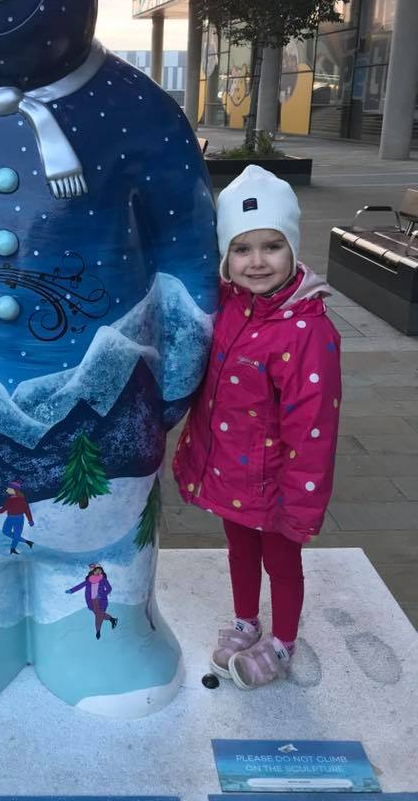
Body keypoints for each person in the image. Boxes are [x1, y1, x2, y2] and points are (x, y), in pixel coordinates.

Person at [173, 165, 341, 689]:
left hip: (277, 483)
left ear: (293, 248)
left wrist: (301, 501)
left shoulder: (307, 332)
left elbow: (314, 428)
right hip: (229, 471)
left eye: (272, 246)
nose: (257, 261)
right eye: (242, 249)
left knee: (281, 561)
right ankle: (247, 622)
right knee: (240, 549)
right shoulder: (228, 306)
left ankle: (283, 643)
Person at [66, 563, 118, 639]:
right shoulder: (89, 581)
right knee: (100, 615)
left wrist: (102, 594)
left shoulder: (103, 580)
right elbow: (80, 586)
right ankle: (112, 620)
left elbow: (109, 588)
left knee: (98, 615)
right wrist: (71, 591)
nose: (98, 572)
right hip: (91, 601)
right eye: (97, 570)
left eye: (100, 571)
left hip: (101, 601)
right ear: (93, 571)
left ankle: (98, 631)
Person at [0, 480, 35, 554]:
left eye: (9, 488)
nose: (7, 490)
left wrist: (30, 520)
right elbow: (4, 508)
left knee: (16, 535)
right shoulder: (9, 499)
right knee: (5, 531)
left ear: (14, 490)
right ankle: (27, 542)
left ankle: (12, 549)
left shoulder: (22, 499)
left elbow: (27, 510)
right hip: (10, 518)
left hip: (19, 519)